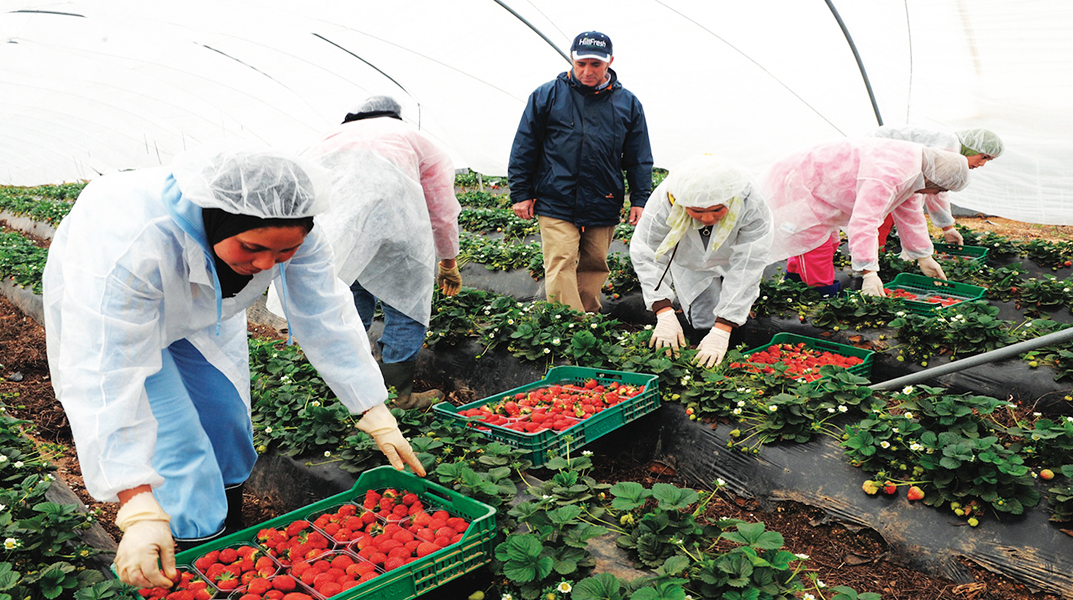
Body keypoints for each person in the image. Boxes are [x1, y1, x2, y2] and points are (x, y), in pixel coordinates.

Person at [43, 149, 425, 589]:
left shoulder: (296, 233)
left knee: (226, 422)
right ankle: (195, 554)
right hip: (122, 319)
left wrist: (371, 407)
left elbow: (323, 313)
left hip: (204, 313)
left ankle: (228, 529)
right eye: (252, 248)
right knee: (179, 446)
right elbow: (106, 372)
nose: (266, 264)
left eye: (284, 252)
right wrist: (137, 503)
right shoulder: (135, 241)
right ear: (217, 223)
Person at [269, 95, 462, 409]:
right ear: (395, 117)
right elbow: (441, 209)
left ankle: (343, 389)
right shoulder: (415, 140)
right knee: (406, 306)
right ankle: (397, 396)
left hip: (342, 232)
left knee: (347, 301)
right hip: (400, 232)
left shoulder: (326, 140)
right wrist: (448, 259)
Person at [508, 30, 653, 313]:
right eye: (581, 63)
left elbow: (638, 157)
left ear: (609, 61)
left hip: (604, 195)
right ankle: (570, 325)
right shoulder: (547, 95)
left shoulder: (628, 103)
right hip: (555, 195)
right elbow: (525, 147)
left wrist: (640, 199)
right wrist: (521, 193)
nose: (587, 71)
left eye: (595, 64)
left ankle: (588, 318)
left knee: (594, 263)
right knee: (561, 259)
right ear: (572, 60)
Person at [762, 138, 970, 296]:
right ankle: (819, 296)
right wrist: (868, 272)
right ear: (933, 180)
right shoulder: (889, 175)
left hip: (823, 188)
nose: (935, 195)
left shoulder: (915, 170)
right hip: (802, 183)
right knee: (815, 245)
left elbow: (910, 214)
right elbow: (865, 221)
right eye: (940, 189)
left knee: (828, 242)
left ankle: (794, 285)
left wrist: (923, 256)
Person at [630, 154, 773, 367]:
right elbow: (647, 252)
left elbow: (748, 264)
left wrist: (723, 329)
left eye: (717, 210)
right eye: (697, 211)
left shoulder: (749, 200)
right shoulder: (665, 200)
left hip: (734, 253)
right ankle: (703, 361)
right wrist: (663, 310)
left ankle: (730, 353)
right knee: (702, 307)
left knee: (731, 314)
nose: (707, 218)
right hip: (690, 260)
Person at [871, 127, 1004, 247]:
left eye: (988, 160)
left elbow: (936, 190)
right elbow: (934, 190)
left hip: (887, 167)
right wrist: (945, 228)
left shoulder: (950, 151)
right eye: (984, 156)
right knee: (881, 216)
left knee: (888, 214)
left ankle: (873, 260)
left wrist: (947, 228)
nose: (982, 164)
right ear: (972, 148)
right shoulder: (949, 148)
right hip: (876, 158)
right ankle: (869, 263)